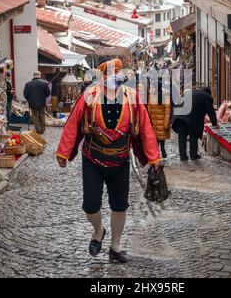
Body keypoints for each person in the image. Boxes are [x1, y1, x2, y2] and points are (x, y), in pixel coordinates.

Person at [56, 59, 161, 264]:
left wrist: (154, 157)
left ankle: (115, 247)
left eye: (118, 73)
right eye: (111, 73)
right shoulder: (89, 96)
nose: (116, 76)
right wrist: (64, 153)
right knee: (90, 205)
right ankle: (98, 231)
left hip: (120, 160)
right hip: (93, 159)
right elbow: (73, 124)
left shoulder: (133, 97)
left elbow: (146, 128)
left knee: (120, 206)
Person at [172, 87, 218, 161]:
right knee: (193, 136)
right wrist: (215, 123)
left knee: (182, 137)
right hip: (191, 118)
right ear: (208, 93)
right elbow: (211, 111)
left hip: (179, 116)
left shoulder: (190, 92)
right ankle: (193, 155)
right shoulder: (206, 96)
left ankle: (183, 156)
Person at [148, 79, 171, 159]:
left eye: (152, 87)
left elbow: (167, 111)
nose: (150, 88)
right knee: (156, 138)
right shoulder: (150, 95)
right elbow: (149, 108)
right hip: (153, 121)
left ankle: (162, 149)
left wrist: (166, 122)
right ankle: (158, 151)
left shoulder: (165, 96)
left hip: (161, 121)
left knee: (161, 137)